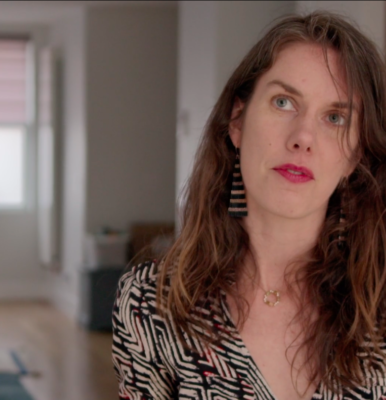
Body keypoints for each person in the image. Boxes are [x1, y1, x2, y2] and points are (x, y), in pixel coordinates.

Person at [112, 11, 386, 400]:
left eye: (336, 117)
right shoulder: (151, 302)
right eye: (283, 101)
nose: (303, 137)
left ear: (355, 155)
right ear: (237, 121)